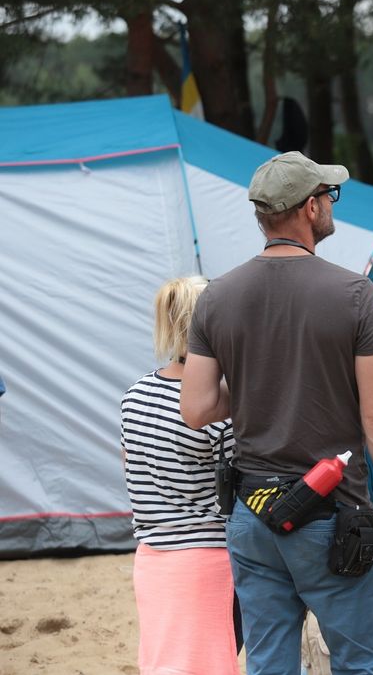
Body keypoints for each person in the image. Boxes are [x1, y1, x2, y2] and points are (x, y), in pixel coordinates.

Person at [180, 151, 373, 675]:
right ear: (310, 208)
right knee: (361, 664)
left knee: (268, 665)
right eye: (329, 197)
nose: (332, 205)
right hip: (330, 514)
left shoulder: (216, 296)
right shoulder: (354, 293)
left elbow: (196, 408)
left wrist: (253, 387)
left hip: (251, 516)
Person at [120, 276, 238, 675]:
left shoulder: (134, 395)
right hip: (207, 558)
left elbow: (131, 467)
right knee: (207, 663)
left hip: (151, 557)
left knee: (165, 663)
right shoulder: (216, 407)